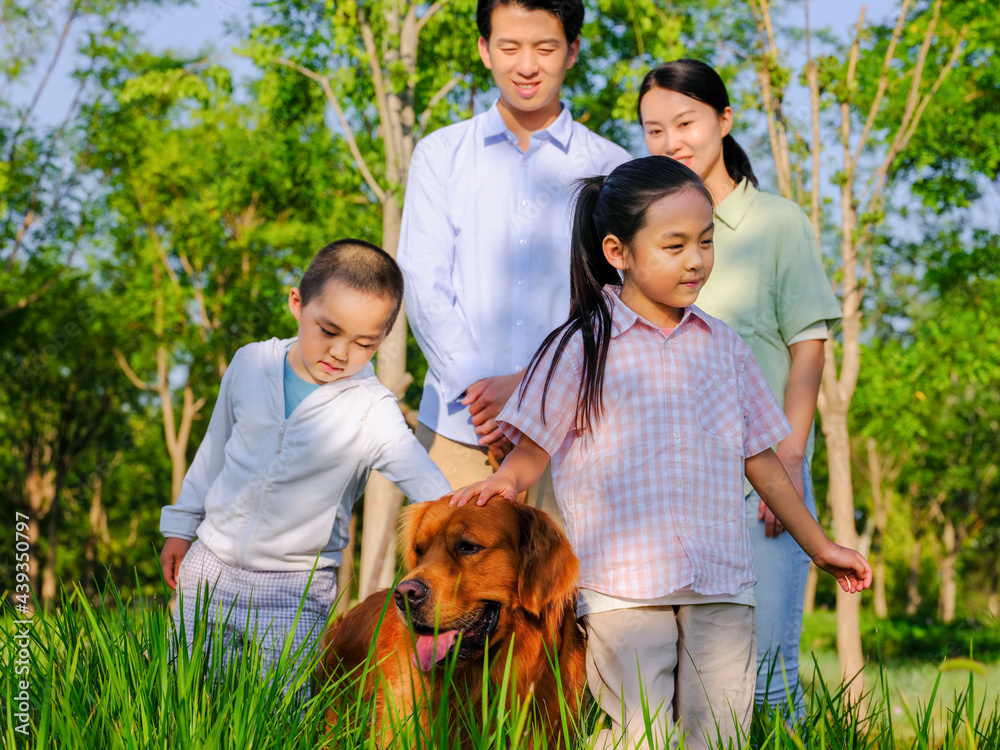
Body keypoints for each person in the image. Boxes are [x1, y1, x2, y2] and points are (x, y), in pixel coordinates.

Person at [448, 157, 871, 750]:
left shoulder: (724, 347)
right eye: (674, 245)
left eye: (705, 241)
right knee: (637, 734)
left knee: (720, 736)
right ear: (618, 251)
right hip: (624, 590)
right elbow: (529, 454)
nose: (696, 259)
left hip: (721, 584)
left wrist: (820, 545)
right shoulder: (580, 347)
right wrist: (505, 486)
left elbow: (765, 465)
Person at [638, 58, 843, 715]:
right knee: (684, 678)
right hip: (672, 490)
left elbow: (806, 345)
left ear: (723, 121)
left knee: (767, 670)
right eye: (653, 129)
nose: (672, 141)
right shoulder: (648, 239)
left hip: (762, 484)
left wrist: (787, 456)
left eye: (685, 123)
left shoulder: (777, 223)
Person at [159, 239, 452, 681]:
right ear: (297, 303)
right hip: (209, 569)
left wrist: (477, 506)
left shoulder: (372, 411)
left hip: (294, 589)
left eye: (363, 343)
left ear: (383, 339)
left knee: (284, 711)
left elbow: (431, 487)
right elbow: (213, 451)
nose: (340, 353)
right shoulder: (250, 363)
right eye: (329, 331)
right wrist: (181, 528)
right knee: (185, 691)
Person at [397, 0, 631, 531]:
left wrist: (530, 390)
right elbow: (425, 284)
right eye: (509, 47)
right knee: (441, 602)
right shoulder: (440, 154)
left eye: (545, 47)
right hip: (459, 429)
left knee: (564, 604)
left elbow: (617, 303)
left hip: (573, 434)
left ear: (572, 51)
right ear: (484, 50)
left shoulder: (611, 167)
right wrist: (481, 393)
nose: (527, 64)